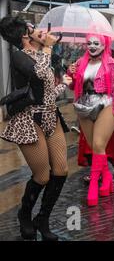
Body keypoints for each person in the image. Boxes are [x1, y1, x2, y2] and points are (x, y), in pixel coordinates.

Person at [0, 16, 72, 241]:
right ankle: (24, 214)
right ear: (24, 35)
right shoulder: (19, 56)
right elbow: (39, 73)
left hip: (51, 116)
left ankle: (42, 218)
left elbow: (46, 94)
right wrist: (48, 48)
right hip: (29, 121)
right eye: (33, 28)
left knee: (60, 171)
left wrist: (63, 84)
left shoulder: (42, 55)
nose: (40, 31)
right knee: (42, 176)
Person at [67, 32, 114, 207]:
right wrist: (71, 73)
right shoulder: (80, 63)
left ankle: (95, 185)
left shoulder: (113, 64)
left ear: (104, 46)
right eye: (89, 43)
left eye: (97, 43)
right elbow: (73, 86)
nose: (93, 46)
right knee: (95, 147)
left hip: (106, 104)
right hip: (84, 105)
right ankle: (108, 178)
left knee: (98, 145)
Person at [78, 67, 114, 180]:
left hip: (110, 109)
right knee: (93, 144)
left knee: (112, 142)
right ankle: (98, 171)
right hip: (91, 109)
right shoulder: (88, 67)